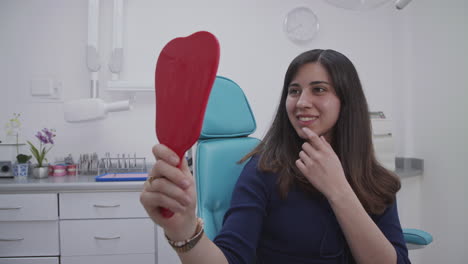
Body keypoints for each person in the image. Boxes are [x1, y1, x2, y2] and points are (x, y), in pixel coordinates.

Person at [140, 49, 410, 264]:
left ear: (346, 102)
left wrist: (338, 191)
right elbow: (230, 259)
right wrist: (184, 232)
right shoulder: (263, 171)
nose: (302, 102)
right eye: (294, 91)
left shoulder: (376, 180)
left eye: (318, 89)